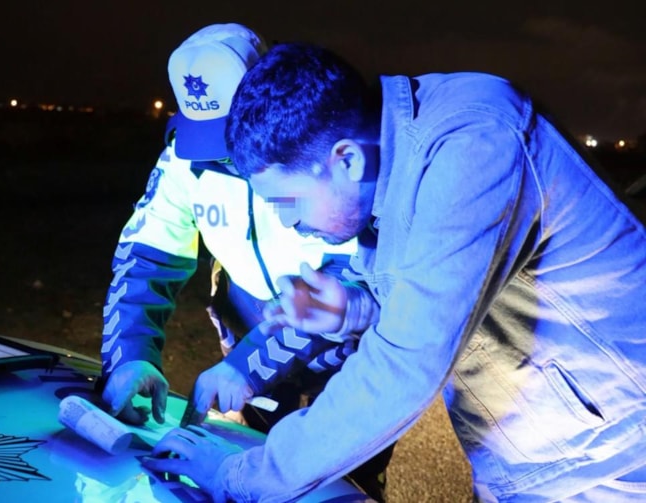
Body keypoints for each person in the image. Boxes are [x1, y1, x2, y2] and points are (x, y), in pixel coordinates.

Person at [142, 42, 646, 502]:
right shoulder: (392, 161)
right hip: (543, 457)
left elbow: (403, 365)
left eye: (287, 201)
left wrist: (239, 474)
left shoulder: (473, 146)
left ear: (345, 160)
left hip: (613, 461)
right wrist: (353, 308)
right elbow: (439, 288)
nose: (287, 221)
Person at [100, 28, 393, 499]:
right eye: (206, 136)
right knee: (248, 470)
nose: (223, 158)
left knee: (338, 480)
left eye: (228, 136)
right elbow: (145, 258)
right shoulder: (184, 157)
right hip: (248, 342)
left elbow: (351, 279)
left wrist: (248, 364)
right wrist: (129, 356)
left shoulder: (312, 154)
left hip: (342, 352)